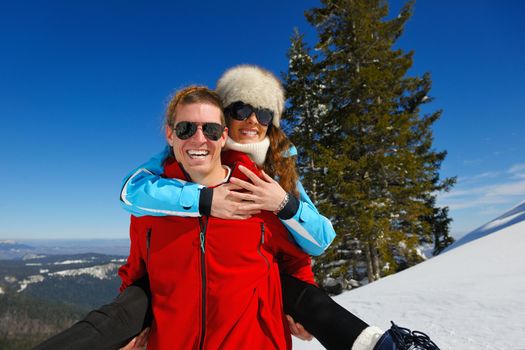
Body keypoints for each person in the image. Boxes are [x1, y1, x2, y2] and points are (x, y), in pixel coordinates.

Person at [118, 65, 440, 350]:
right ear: (225, 113)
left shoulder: (275, 172)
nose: (253, 120)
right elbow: (134, 191)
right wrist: (206, 199)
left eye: (264, 114)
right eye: (242, 109)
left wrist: (282, 204)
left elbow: (311, 243)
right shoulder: (184, 162)